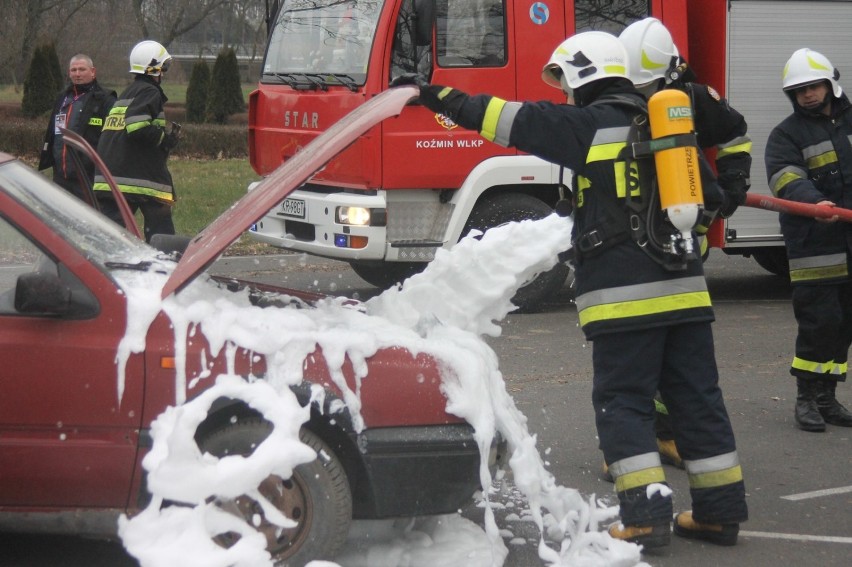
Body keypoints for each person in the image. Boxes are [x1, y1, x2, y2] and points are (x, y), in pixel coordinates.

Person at [400, 30, 748, 549]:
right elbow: (711, 197)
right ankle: (719, 513)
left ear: (582, 77)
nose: (562, 93)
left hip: (623, 297)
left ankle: (645, 516)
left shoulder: (585, 124)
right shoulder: (668, 127)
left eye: (565, 82)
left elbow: (503, 117)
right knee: (697, 400)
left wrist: (435, 96)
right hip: (687, 291)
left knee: (624, 402)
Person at [602, 16, 752, 476]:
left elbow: (736, 134)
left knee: (671, 354)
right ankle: (643, 442)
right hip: (632, 246)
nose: (644, 97)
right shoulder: (619, 104)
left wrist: (731, 184)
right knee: (641, 356)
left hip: (684, 246)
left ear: (671, 74)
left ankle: (662, 437)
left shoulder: (694, 101)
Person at [764, 48, 852, 432]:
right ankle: (806, 398)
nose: (807, 95)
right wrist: (816, 203)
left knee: (845, 324)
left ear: (830, 84)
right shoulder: (786, 134)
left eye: (813, 86)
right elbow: (784, 176)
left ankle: (827, 399)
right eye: (799, 90)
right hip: (814, 243)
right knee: (819, 322)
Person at [93, 40, 180, 242]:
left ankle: (97, 266)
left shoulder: (129, 92)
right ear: (154, 68)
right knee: (161, 230)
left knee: (108, 236)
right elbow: (136, 126)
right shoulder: (150, 91)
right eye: (163, 68)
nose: (164, 73)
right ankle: (165, 263)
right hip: (138, 179)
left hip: (112, 176)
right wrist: (165, 138)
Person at [38, 54, 116, 201]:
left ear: (93, 71)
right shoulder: (63, 98)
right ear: (69, 73)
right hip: (61, 175)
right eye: (73, 70)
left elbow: (113, 140)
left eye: (82, 69)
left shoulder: (106, 99)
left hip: (88, 176)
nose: (77, 74)